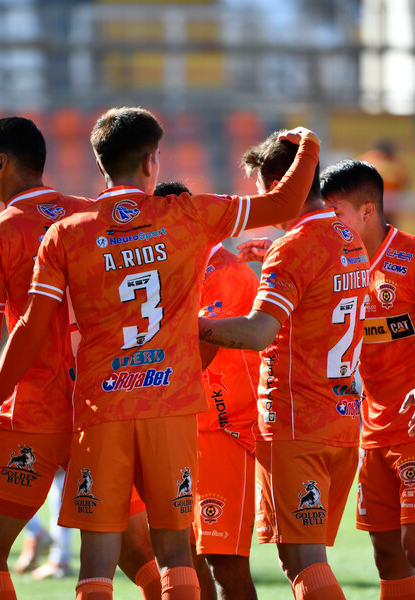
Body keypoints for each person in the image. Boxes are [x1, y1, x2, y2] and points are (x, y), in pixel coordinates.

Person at [0, 107, 321, 600]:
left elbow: (30, 326)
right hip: (171, 407)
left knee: (97, 560)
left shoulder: (68, 233)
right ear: (150, 163)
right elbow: (286, 203)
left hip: (102, 409)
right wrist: (306, 143)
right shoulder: (188, 214)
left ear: (100, 165)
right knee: (176, 555)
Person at [198, 135, 369, 600]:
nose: (260, 201)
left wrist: (190, 327)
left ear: (279, 184)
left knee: (301, 562)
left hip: (297, 422)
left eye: (261, 188)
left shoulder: (293, 247)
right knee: (307, 559)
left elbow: (258, 333)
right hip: (340, 419)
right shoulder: (347, 235)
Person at [319, 160, 415, 600]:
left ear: (368, 211)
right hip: (374, 429)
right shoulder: (338, 266)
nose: (329, 224)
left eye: (336, 213)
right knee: (387, 553)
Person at [0, 116, 90, 599]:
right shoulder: (90, 214)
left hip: (32, 410)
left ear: (2, 162)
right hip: (101, 406)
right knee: (144, 554)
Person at [155, 180, 260, 600]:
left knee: (225, 563)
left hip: (227, 430)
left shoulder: (226, 273)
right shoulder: (177, 267)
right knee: (186, 557)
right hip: (189, 427)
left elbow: (200, 354)